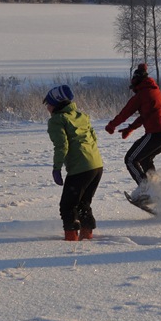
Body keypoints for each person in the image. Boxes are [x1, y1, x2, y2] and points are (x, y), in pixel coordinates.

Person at [105, 63, 161, 205]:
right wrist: (130, 128)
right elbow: (145, 116)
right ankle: (157, 190)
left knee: (130, 159)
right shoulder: (154, 91)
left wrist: (112, 125)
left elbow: (125, 112)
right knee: (145, 160)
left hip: (156, 133)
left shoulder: (142, 94)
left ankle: (146, 190)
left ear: (137, 81)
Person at [44, 84, 104, 241]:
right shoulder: (82, 116)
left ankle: (71, 241)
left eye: (48, 103)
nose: (47, 107)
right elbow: (94, 138)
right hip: (96, 166)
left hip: (80, 169)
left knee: (67, 206)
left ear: (57, 104)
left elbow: (62, 145)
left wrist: (57, 168)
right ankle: (87, 235)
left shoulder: (57, 120)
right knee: (83, 203)